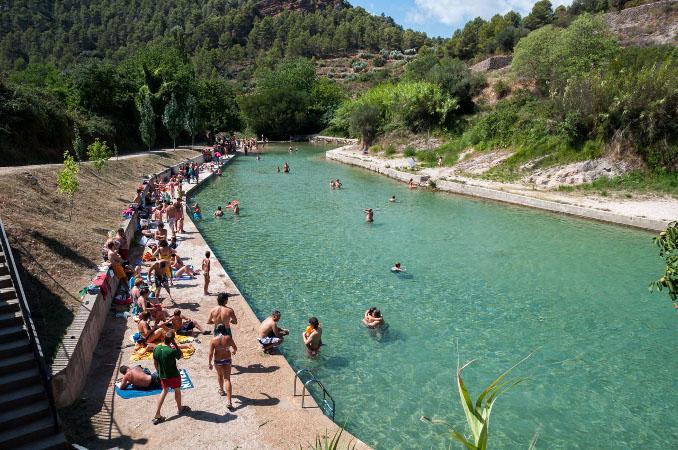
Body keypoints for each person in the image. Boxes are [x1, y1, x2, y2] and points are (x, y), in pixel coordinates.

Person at [152, 331, 189, 424]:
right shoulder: (171, 350)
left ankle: (157, 414)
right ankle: (180, 409)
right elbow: (181, 355)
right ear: (172, 340)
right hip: (173, 375)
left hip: (163, 375)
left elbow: (155, 363)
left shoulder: (156, 348)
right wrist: (175, 344)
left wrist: (158, 372)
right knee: (177, 390)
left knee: (164, 391)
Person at [209, 323, 238, 410]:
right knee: (227, 379)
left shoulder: (213, 340)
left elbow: (210, 353)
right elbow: (235, 347)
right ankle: (229, 402)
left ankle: (221, 390)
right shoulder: (228, 338)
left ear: (217, 330)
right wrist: (233, 351)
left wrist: (209, 363)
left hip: (218, 361)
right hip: (227, 360)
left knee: (220, 375)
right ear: (224, 329)